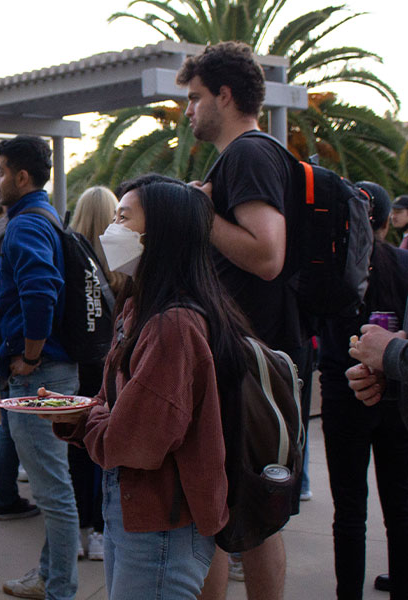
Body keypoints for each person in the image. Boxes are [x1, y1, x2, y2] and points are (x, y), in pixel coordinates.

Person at [50, 174, 249, 599]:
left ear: (160, 233)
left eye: (124, 218)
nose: (111, 230)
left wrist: (88, 416)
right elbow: (112, 403)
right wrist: (90, 412)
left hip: (161, 525)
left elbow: (134, 441)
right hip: (136, 511)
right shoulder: (142, 309)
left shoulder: (171, 326)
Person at [178, 41, 303, 600]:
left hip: (245, 363)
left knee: (221, 505)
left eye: (195, 97)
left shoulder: (248, 154)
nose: (187, 110)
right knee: (251, 507)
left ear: (224, 96)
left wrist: (200, 214)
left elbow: (267, 254)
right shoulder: (251, 155)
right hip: (250, 357)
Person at [0, 136, 79, 600]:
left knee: (52, 491)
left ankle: (60, 587)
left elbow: (41, 289)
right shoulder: (46, 216)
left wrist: (28, 353)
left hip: (40, 373)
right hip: (53, 370)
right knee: (54, 485)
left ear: (21, 177)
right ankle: (50, 574)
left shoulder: (26, 224)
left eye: (1, 170)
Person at [318, 181, 408, 599]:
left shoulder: (328, 267)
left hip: (342, 393)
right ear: (389, 222)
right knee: (401, 504)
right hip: (398, 395)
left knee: (349, 509)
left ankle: (348, 594)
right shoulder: (403, 263)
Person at [0, 188, 40, 522]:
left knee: (6, 420)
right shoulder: (19, 228)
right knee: (11, 424)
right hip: (10, 338)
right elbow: (33, 291)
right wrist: (31, 354)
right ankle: (2, 494)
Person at [67, 185, 123, 560]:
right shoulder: (123, 255)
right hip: (113, 363)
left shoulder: (68, 252)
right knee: (105, 444)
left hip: (76, 362)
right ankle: (103, 531)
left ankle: (79, 527)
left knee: (76, 447)